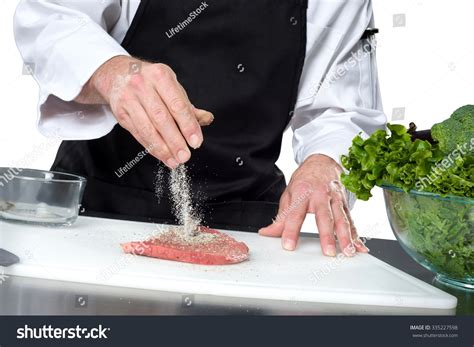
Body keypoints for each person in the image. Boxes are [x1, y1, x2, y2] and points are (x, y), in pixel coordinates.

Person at [13, 0, 386, 257]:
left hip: (249, 226)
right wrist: (111, 73)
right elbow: (52, 16)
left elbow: (340, 107)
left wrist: (325, 162)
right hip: (94, 210)